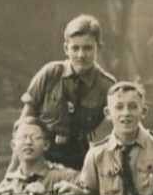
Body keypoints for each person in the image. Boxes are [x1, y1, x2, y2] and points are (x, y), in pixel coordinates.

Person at [20, 13, 117, 170]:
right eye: (75, 48)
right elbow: (25, 120)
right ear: (66, 48)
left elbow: (111, 132)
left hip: (82, 160)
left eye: (87, 48)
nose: (81, 55)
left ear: (99, 48)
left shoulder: (107, 86)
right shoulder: (50, 74)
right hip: (43, 156)